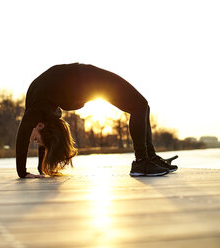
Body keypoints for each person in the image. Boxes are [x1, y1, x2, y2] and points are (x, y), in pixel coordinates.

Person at [16, 63, 178, 178]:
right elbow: (46, 137)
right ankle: (144, 160)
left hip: (89, 80)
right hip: (89, 80)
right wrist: (41, 168)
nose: (33, 141)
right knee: (140, 106)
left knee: (141, 106)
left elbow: (23, 136)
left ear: (39, 125)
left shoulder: (36, 111)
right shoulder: (41, 113)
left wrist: (22, 173)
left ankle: (146, 159)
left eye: (35, 139)